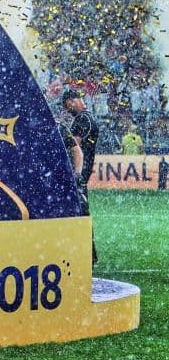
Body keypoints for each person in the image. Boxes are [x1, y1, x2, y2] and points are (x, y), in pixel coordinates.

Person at [63, 88, 99, 265]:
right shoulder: (87, 118)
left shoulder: (83, 119)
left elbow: (74, 144)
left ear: (72, 101)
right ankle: (88, 253)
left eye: (67, 105)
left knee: (80, 211)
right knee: (81, 210)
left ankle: (86, 254)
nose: (68, 109)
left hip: (78, 174)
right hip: (81, 173)